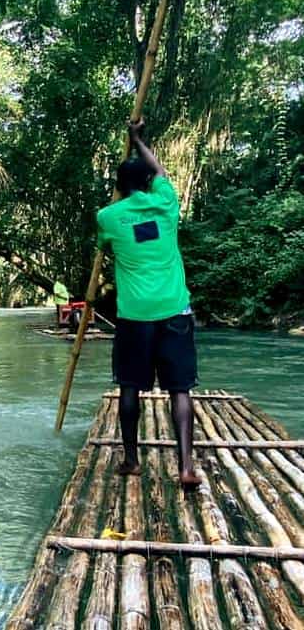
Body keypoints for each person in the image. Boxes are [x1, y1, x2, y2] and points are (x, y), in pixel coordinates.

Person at [96, 119, 201, 489]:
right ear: (147, 184)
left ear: (119, 188)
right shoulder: (166, 203)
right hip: (174, 311)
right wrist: (138, 140)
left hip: (134, 316)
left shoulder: (108, 217)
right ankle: (186, 467)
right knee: (180, 390)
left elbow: (106, 246)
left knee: (129, 386)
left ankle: (131, 460)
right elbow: (159, 170)